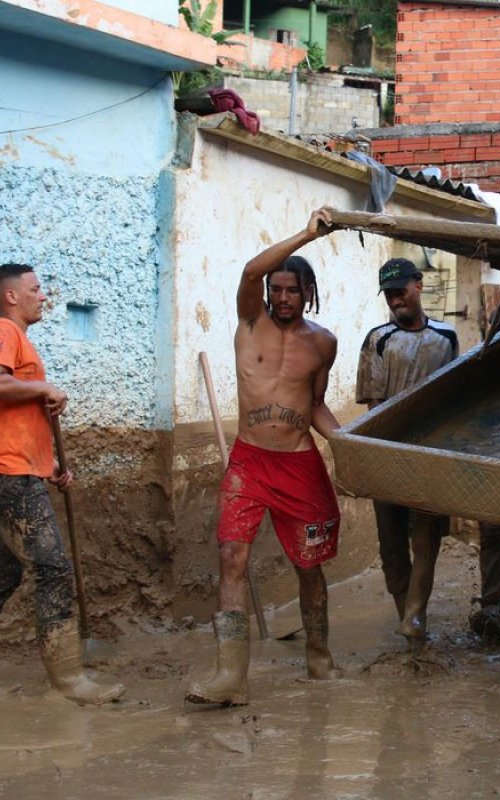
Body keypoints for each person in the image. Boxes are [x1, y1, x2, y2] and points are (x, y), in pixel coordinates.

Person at [187, 208, 343, 707]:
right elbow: (250, 272)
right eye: (275, 289)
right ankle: (230, 676)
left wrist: (348, 444)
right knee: (231, 556)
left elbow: (315, 405)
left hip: (299, 466)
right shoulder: (249, 323)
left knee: (308, 567)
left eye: (290, 290)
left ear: (307, 293)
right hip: (249, 464)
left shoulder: (323, 344)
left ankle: (319, 656)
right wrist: (306, 235)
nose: (280, 298)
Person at [0, 263, 124, 705]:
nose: (43, 296)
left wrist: (48, 465)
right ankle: (68, 681)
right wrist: (41, 390)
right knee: (52, 568)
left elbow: (15, 413)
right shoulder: (5, 331)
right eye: (35, 289)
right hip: (8, 471)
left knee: (6, 571)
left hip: (20, 467)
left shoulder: (21, 341)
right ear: (12, 296)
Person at [356, 258, 458, 644]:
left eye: (400, 291)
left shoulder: (446, 338)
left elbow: (451, 397)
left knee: (427, 538)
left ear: (418, 285)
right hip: (387, 452)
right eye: (389, 295)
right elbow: (374, 408)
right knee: (392, 546)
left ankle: (415, 617)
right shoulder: (377, 340)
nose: (395, 300)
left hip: (431, 455)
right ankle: (409, 619)